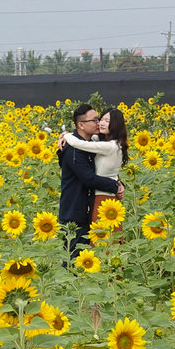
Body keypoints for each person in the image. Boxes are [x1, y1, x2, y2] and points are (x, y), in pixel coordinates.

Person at [58, 104, 124, 261]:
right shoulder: (73, 149)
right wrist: (115, 186)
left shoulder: (94, 145)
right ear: (81, 125)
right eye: (95, 120)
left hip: (90, 208)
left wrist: (118, 184)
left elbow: (104, 171)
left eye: (100, 119)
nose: (98, 123)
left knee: (97, 255)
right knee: (73, 259)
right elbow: (89, 178)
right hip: (75, 211)